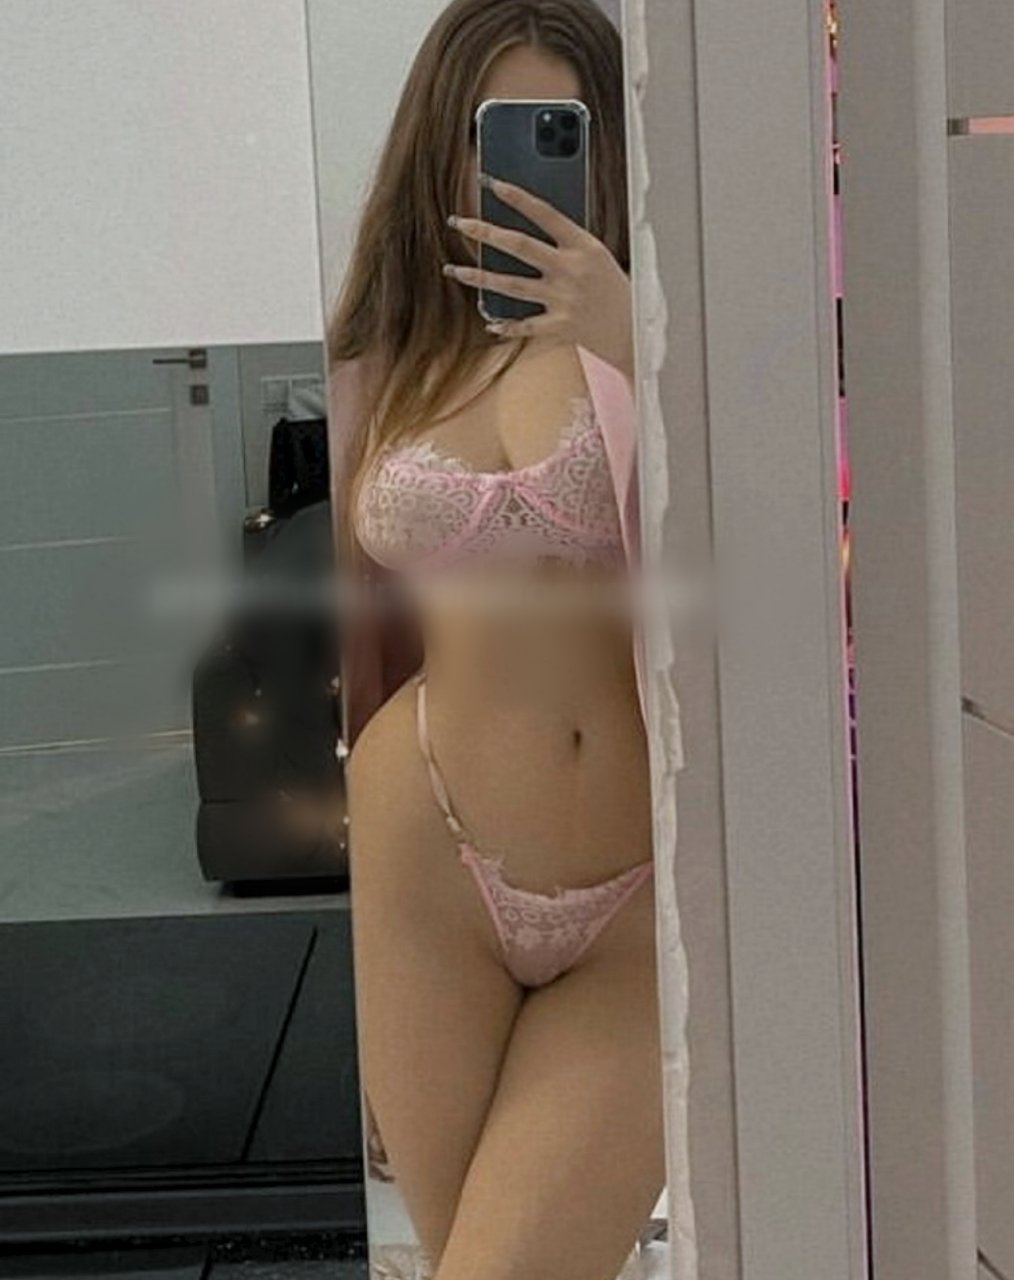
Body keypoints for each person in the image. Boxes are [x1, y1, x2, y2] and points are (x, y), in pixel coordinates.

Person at [327, 3, 664, 1277]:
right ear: (440, 148)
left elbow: (759, 544)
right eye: (489, 135)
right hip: (426, 856)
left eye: (556, 133)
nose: (513, 176)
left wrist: (632, 335)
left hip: (641, 888)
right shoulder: (393, 349)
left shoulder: (670, 333)